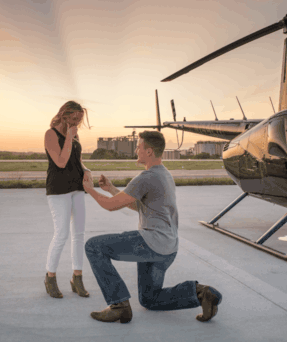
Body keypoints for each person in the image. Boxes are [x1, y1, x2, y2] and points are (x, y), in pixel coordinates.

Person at [82, 131, 222, 323]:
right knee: (150, 299)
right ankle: (201, 294)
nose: (136, 149)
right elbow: (138, 205)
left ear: (148, 151)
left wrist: (89, 189)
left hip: (151, 243)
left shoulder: (146, 177)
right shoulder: (164, 174)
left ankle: (119, 305)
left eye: (139, 146)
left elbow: (111, 205)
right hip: (168, 248)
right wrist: (111, 189)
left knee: (94, 246)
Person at [43, 101, 92, 299]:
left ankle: (77, 278)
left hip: (77, 188)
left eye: (79, 120)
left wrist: (87, 170)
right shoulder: (50, 134)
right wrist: (70, 138)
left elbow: (76, 161)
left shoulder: (74, 133)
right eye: (74, 119)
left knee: (79, 234)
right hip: (58, 189)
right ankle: (50, 277)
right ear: (64, 115)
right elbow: (61, 162)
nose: (77, 123)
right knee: (62, 234)